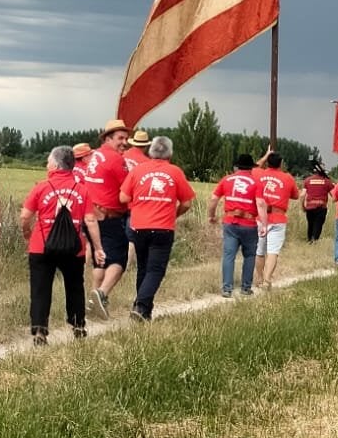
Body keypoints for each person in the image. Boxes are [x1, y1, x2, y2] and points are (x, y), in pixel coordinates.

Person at [19, 146, 99, 343]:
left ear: (55, 165)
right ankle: (78, 324)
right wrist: (98, 247)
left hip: (41, 246)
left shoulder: (41, 187)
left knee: (40, 288)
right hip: (74, 247)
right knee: (74, 287)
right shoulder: (82, 189)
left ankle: (39, 330)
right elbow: (90, 221)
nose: (47, 164)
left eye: (48, 161)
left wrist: (27, 232)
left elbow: (25, 216)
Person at [120, 136, 195, 320]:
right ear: (170, 153)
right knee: (156, 270)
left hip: (138, 227)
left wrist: (140, 201)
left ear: (151, 151)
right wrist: (173, 213)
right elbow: (186, 203)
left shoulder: (138, 170)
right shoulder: (175, 172)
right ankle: (141, 305)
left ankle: (144, 312)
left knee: (144, 268)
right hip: (163, 228)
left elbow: (123, 197)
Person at [84, 118, 133, 316]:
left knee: (100, 257)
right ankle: (102, 293)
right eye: (120, 138)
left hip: (91, 214)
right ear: (108, 138)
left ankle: (91, 302)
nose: (124, 142)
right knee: (119, 260)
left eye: (126, 138)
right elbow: (127, 189)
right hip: (109, 215)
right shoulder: (116, 159)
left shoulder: (96, 155)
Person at [209, 152, 261, 298]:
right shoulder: (256, 182)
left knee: (228, 255)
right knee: (250, 255)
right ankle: (245, 288)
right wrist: (263, 222)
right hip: (249, 224)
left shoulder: (227, 179)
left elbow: (213, 199)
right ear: (251, 168)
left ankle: (227, 288)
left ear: (236, 167)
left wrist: (211, 216)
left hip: (230, 222)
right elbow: (261, 204)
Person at [254, 149, 298, 288]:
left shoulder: (258, 174)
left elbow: (255, 166)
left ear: (268, 162)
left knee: (259, 251)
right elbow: (296, 195)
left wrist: (265, 156)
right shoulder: (288, 178)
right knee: (272, 251)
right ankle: (267, 279)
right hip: (278, 218)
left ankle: (260, 278)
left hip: (261, 217)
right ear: (281, 163)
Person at [300, 161, 333, 243]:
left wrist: (303, 206)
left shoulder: (307, 180)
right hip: (321, 207)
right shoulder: (327, 181)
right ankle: (314, 241)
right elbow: (333, 195)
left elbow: (302, 195)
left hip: (310, 207)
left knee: (310, 225)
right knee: (318, 225)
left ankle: (309, 240)